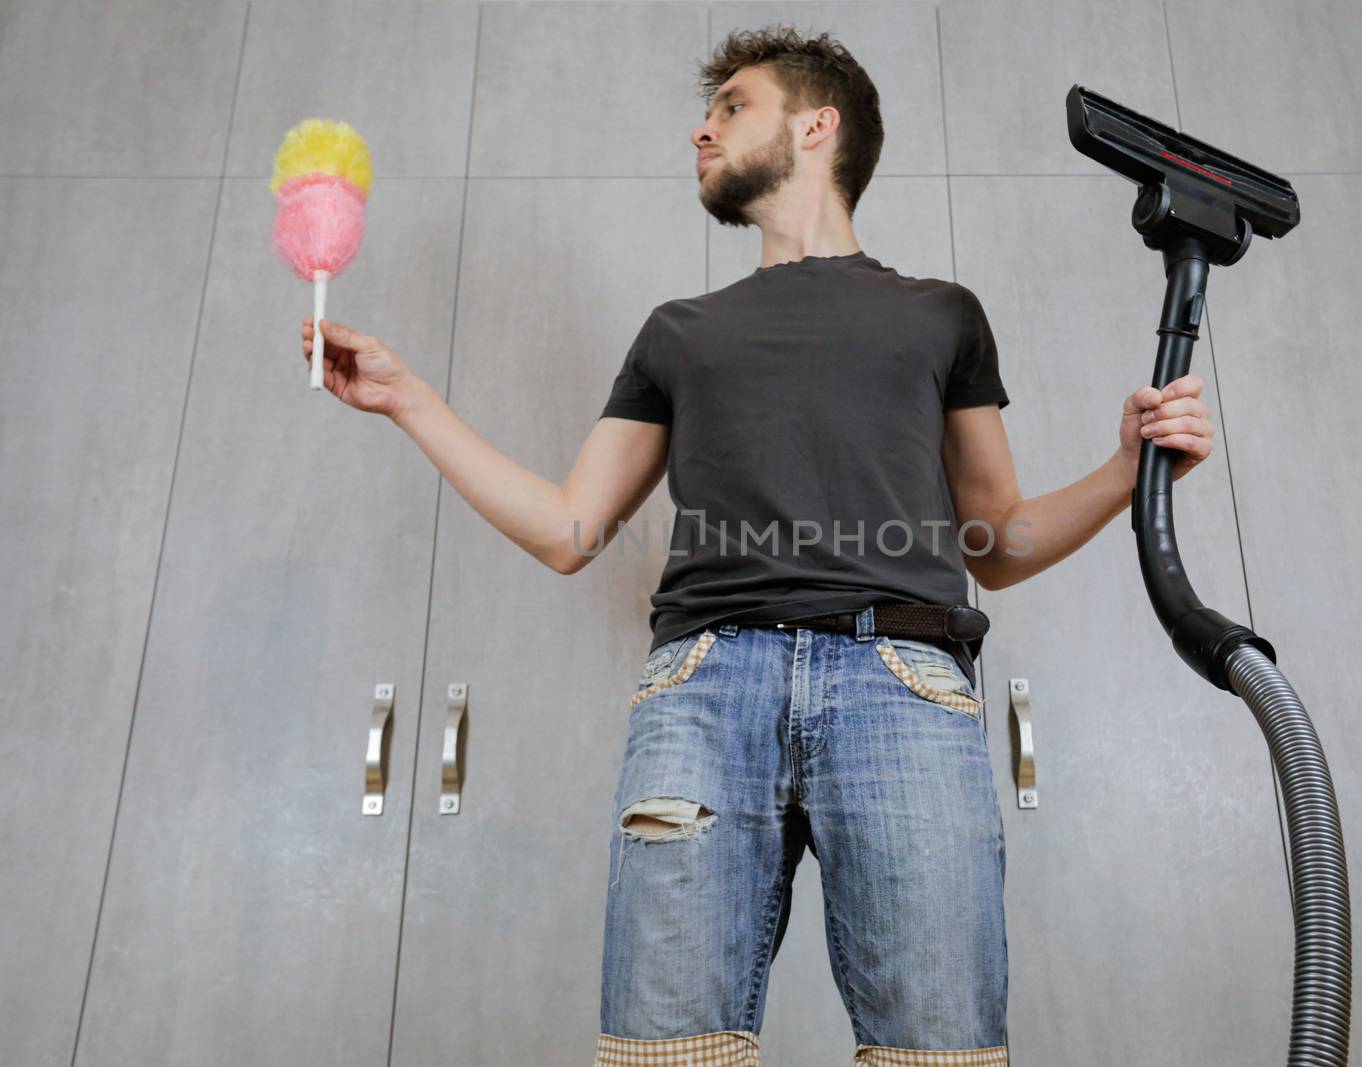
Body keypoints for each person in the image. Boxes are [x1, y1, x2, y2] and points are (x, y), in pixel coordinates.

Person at [298, 24, 1214, 1067]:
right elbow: (569, 529)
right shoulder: (678, 330)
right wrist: (406, 398)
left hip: (903, 686)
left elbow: (994, 540)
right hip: (702, 686)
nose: (702, 126)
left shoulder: (941, 316)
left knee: (938, 1049)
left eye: (732, 104)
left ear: (816, 125)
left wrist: (1122, 464)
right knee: (667, 1051)